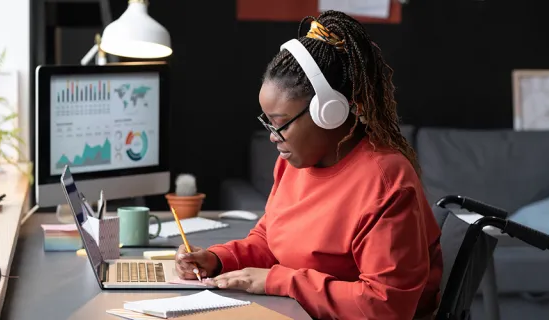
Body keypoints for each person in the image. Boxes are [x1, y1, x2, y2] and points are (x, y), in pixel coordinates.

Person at [175, 10, 442, 320]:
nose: (273, 138)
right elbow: (270, 240)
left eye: (281, 124)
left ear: (330, 112)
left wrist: (280, 281)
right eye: (268, 123)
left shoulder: (386, 181)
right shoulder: (291, 163)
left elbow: (386, 306)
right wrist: (218, 259)